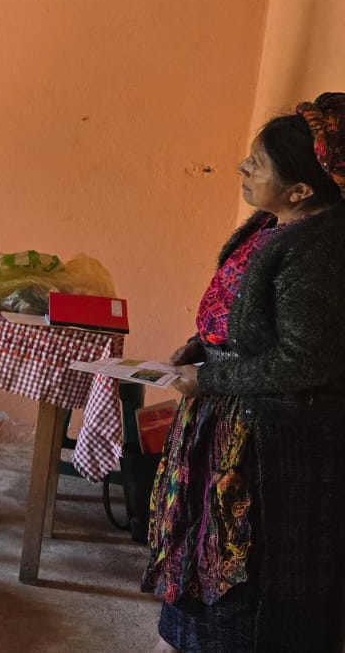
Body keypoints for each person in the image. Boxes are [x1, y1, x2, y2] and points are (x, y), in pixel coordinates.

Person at [143, 93, 345, 653]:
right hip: (230, 418)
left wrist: (210, 379)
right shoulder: (272, 222)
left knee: (245, 566)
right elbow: (242, 317)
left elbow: (305, 359)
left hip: (270, 444)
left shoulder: (319, 250)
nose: (242, 168)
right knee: (202, 547)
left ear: (300, 190)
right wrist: (199, 346)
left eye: (256, 164)